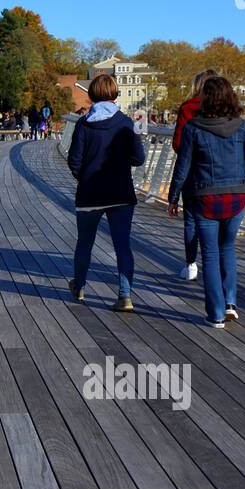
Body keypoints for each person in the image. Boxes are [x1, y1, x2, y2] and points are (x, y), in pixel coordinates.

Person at [167, 77, 245, 328]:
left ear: (205, 98)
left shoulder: (192, 128)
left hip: (204, 197)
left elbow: (183, 166)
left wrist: (173, 197)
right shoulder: (242, 127)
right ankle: (231, 302)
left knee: (209, 254)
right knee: (227, 248)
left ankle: (216, 313)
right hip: (236, 197)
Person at [66, 73, 145, 311]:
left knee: (84, 243)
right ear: (115, 94)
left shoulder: (83, 123)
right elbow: (139, 158)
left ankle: (79, 287)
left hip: (90, 193)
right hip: (120, 192)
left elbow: (74, 161)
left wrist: (85, 177)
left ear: (92, 95)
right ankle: (125, 295)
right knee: (122, 245)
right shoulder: (126, 122)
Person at [171, 68, 219, 281]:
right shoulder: (226, 108)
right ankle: (217, 264)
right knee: (219, 218)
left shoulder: (188, 107)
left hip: (193, 173)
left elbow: (178, 143)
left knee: (190, 219)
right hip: (220, 172)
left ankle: (191, 264)